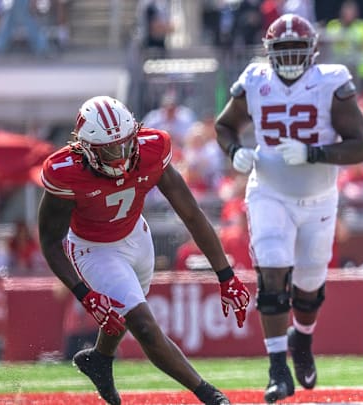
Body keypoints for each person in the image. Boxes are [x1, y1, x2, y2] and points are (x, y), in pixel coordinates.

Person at [38, 96, 251, 405]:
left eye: (125, 144)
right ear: (85, 149)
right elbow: (49, 242)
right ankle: (210, 395)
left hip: (137, 237)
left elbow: (190, 212)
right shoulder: (64, 171)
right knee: (143, 325)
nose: (120, 155)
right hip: (94, 249)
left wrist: (226, 275)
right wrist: (84, 294)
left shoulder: (151, 147)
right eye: (109, 150)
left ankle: (99, 360)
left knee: (124, 314)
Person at [214, 14, 363, 403]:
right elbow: (224, 126)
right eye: (281, 49)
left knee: (309, 289)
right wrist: (235, 152)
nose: (288, 57)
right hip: (268, 192)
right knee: (271, 276)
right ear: (269, 51)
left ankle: (302, 339)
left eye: (295, 49)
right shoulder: (254, 80)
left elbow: (360, 144)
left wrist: (314, 152)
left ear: (312, 50)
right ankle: (277, 370)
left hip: (319, 197)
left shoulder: (330, 80)